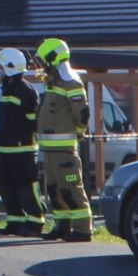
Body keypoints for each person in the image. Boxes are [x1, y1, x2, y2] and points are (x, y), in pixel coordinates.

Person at [33, 37, 93, 242]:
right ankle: (62, 226)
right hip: (49, 149)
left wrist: (78, 131)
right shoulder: (53, 81)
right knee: (53, 189)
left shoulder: (71, 81)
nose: (41, 65)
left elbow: (82, 113)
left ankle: (83, 229)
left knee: (71, 188)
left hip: (64, 148)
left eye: (43, 60)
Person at [0, 48, 43, 236]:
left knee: (26, 187)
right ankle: (15, 221)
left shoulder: (25, 90)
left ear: (10, 68)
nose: (0, 72)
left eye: (1, 68)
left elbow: (33, 122)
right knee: (7, 187)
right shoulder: (7, 89)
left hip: (23, 149)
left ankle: (35, 222)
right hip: (4, 148)